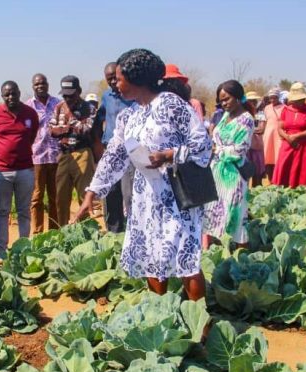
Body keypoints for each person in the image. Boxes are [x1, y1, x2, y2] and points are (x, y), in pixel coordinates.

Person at [73, 48, 213, 301]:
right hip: (145, 198)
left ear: (136, 77)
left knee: (185, 259)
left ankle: (200, 324)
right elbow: (113, 156)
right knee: (151, 256)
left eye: (118, 77)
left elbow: (202, 145)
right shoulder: (129, 116)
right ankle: (160, 314)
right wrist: (90, 195)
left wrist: (168, 155)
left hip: (177, 195)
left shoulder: (171, 105)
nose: (115, 83)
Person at [0, 81, 38, 261]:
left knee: (24, 211)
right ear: (2, 96)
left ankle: (23, 250)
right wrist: (4, 153)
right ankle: (1, 251)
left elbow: (31, 136)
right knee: (2, 211)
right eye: (7, 94)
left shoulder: (30, 114)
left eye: (13, 93)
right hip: (1, 172)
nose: (11, 97)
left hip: (25, 170)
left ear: (19, 92)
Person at [203, 80, 255, 249]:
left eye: (227, 99)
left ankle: (243, 256)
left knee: (236, 216)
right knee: (214, 214)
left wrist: (217, 150)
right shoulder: (226, 116)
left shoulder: (246, 119)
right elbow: (216, 137)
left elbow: (239, 150)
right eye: (221, 100)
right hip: (217, 172)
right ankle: (218, 253)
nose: (224, 103)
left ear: (238, 97)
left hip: (233, 175)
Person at [93, 63, 136, 233]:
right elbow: (97, 123)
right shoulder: (106, 97)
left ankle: (131, 233)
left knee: (128, 195)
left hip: (130, 153)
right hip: (110, 152)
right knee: (110, 193)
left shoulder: (132, 97)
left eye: (115, 77)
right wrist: (99, 150)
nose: (112, 81)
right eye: (109, 78)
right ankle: (113, 234)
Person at [49, 75, 96, 227]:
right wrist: (68, 128)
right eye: (65, 95)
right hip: (64, 154)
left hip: (82, 153)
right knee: (61, 196)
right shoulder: (58, 108)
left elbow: (86, 129)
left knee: (84, 195)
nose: (68, 98)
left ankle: (86, 230)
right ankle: (63, 230)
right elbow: (51, 130)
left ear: (79, 91)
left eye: (71, 95)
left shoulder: (88, 108)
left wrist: (64, 127)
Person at [272, 82, 306, 189]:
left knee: (305, 176)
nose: (299, 102)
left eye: (301, 100)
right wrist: (288, 137)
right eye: (296, 100)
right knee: (286, 174)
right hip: (288, 145)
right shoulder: (286, 110)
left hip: (305, 146)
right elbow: (280, 127)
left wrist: (296, 136)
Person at [25, 74, 61, 234]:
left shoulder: (57, 104)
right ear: (33, 86)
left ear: (48, 84)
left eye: (43, 83)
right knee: (37, 197)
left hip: (56, 156)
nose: (40, 86)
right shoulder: (28, 107)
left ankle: (54, 231)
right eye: (37, 84)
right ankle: (38, 233)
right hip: (37, 157)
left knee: (55, 196)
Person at [263, 88, 285, 179]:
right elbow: (264, 121)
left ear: (278, 97)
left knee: (278, 156)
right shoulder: (267, 108)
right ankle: (270, 178)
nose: (272, 100)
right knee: (268, 157)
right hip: (268, 135)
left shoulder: (284, 107)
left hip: (279, 135)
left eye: (274, 98)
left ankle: (278, 178)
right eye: (271, 98)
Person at [246, 91, 265, 187]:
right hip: (246, 146)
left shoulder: (261, 114)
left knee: (258, 171)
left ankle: (256, 190)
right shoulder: (244, 114)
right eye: (250, 101)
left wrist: (249, 129)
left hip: (257, 145)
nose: (252, 103)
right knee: (246, 170)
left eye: (254, 101)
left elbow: (261, 129)